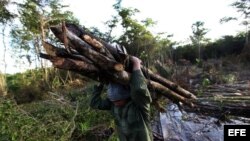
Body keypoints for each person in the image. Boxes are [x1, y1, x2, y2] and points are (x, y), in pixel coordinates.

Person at [90, 56, 153, 141]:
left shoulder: (140, 105)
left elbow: (139, 89)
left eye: (118, 100)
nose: (116, 103)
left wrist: (136, 64)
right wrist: (100, 84)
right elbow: (95, 103)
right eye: (113, 100)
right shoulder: (113, 105)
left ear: (127, 95)